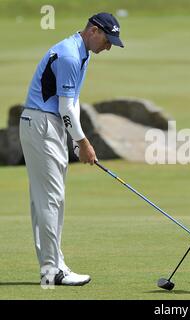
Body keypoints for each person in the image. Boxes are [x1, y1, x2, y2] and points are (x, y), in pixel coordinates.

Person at [20, 13, 124, 286]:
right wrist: (83, 143)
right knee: (51, 199)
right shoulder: (69, 55)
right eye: (108, 40)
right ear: (93, 30)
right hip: (41, 124)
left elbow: (72, 101)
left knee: (47, 200)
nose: (109, 47)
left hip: (46, 124)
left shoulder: (82, 53)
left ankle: (52, 267)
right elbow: (65, 107)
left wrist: (77, 140)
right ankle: (53, 270)